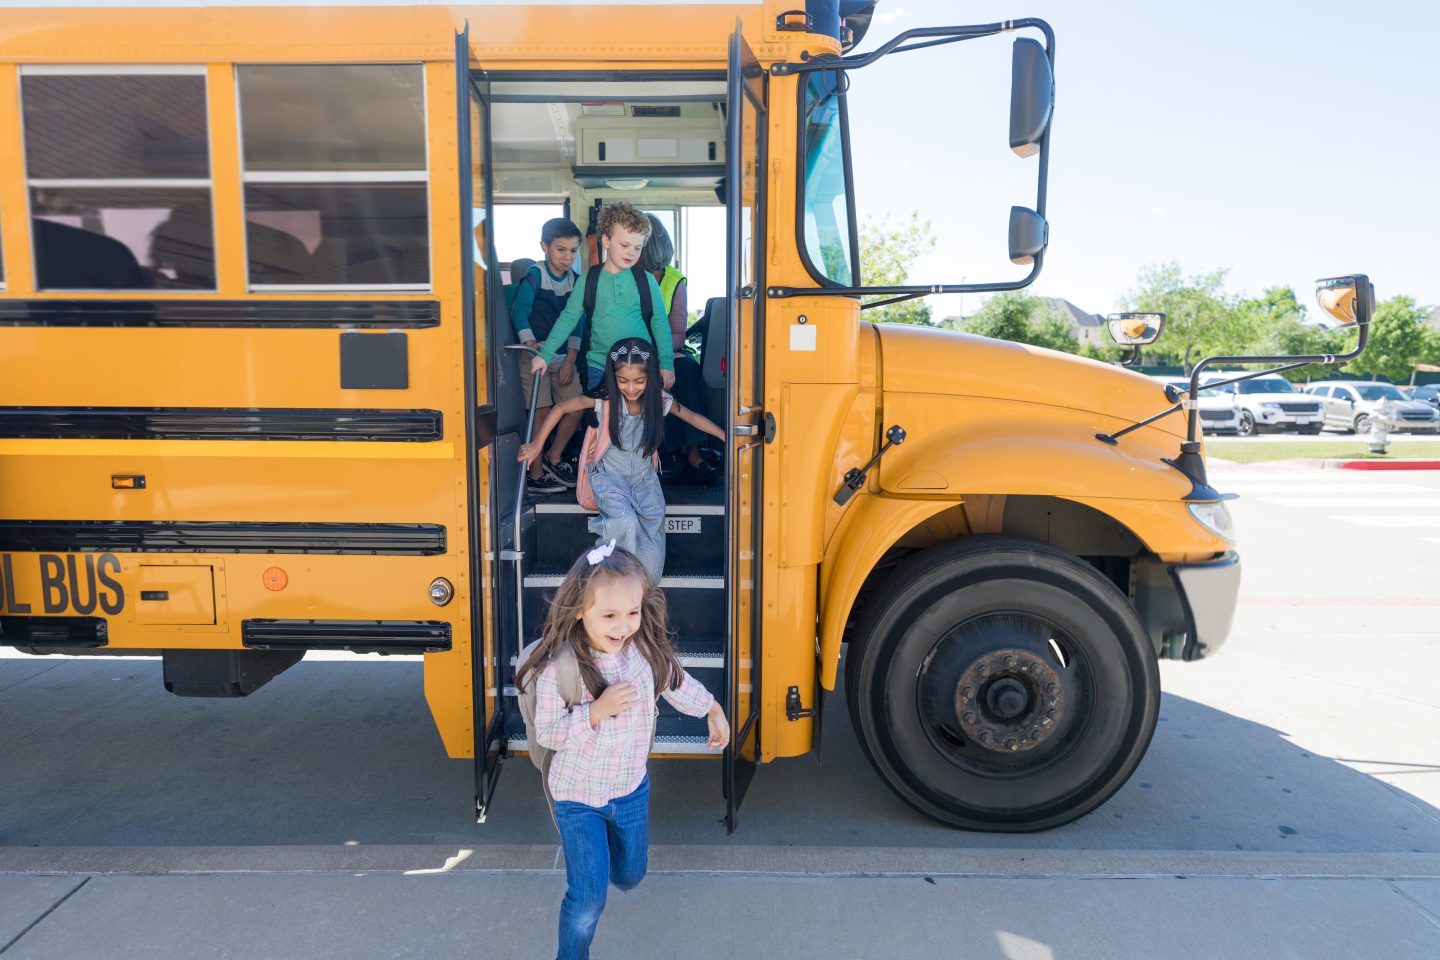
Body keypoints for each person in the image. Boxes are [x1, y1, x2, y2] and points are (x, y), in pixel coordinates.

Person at [513, 543, 730, 960]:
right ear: (579, 611)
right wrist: (595, 711)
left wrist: (712, 709)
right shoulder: (558, 667)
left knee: (631, 875)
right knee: (587, 899)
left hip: (629, 791)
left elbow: (676, 683)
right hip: (577, 798)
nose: (623, 625)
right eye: (609, 615)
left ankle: (601, 865)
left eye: (631, 613)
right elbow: (550, 734)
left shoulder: (643, 654)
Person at [518, 337, 724, 583]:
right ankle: (611, 577)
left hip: (643, 479)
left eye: (640, 381)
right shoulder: (604, 401)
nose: (631, 388)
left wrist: (725, 436)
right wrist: (536, 444)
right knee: (624, 522)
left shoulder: (658, 400)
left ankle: (645, 588)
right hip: (610, 477)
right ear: (613, 378)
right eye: (623, 381)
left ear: (651, 377)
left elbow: (692, 416)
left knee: (652, 525)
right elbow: (561, 408)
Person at [530, 203, 675, 395]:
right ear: (606, 241)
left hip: (641, 366)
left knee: (639, 423)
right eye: (624, 245)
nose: (631, 252)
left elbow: (660, 323)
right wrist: (546, 355)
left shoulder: (646, 280)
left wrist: (666, 363)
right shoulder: (588, 280)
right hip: (599, 366)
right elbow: (568, 319)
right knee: (602, 423)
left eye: (637, 247)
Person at [638, 213, 717, 484]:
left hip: (664, 348)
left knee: (686, 371)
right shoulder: (623, 276)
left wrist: (657, 355)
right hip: (632, 349)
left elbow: (678, 334)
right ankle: (660, 451)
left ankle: (692, 452)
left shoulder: (675, 280)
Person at [512, 219, 585, 492]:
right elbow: (520, 311)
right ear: (544, 247)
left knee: (576, 408)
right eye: (561, 250)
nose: (567, 257)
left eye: (573, 251)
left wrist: (571, 359)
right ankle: (536, 472)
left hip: (564, 357)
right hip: (535, 355)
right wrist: (530, 343)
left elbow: (578, 322)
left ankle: (555, 457)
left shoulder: (576, 281)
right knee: (540, 413)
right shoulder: (534, 275)